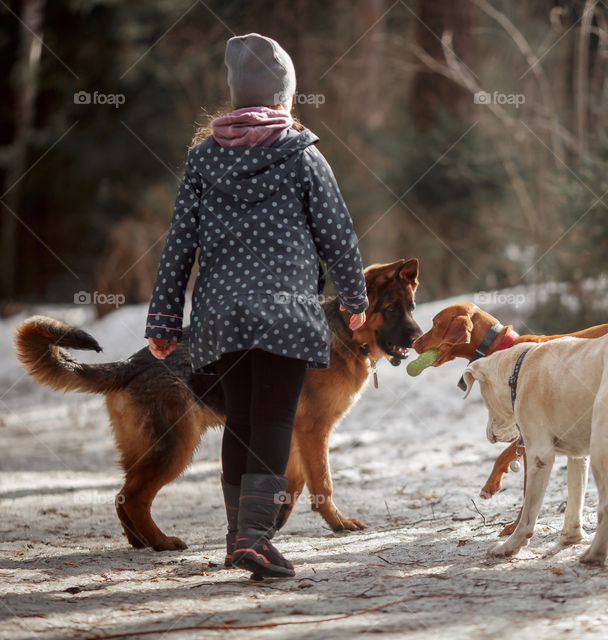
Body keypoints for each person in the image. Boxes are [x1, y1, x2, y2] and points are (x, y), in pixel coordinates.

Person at [144, 33, 368, 578]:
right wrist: (355, 299)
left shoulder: (203, 158)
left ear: (235, 97)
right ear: (283, 98)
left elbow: (179, 242)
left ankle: (236, 536)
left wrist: (164, 318)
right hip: (286, 314)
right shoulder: (303, 154)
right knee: (272, 417)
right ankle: (254, 539)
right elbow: (336, 233)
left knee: (242, 420)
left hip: (221, 317)